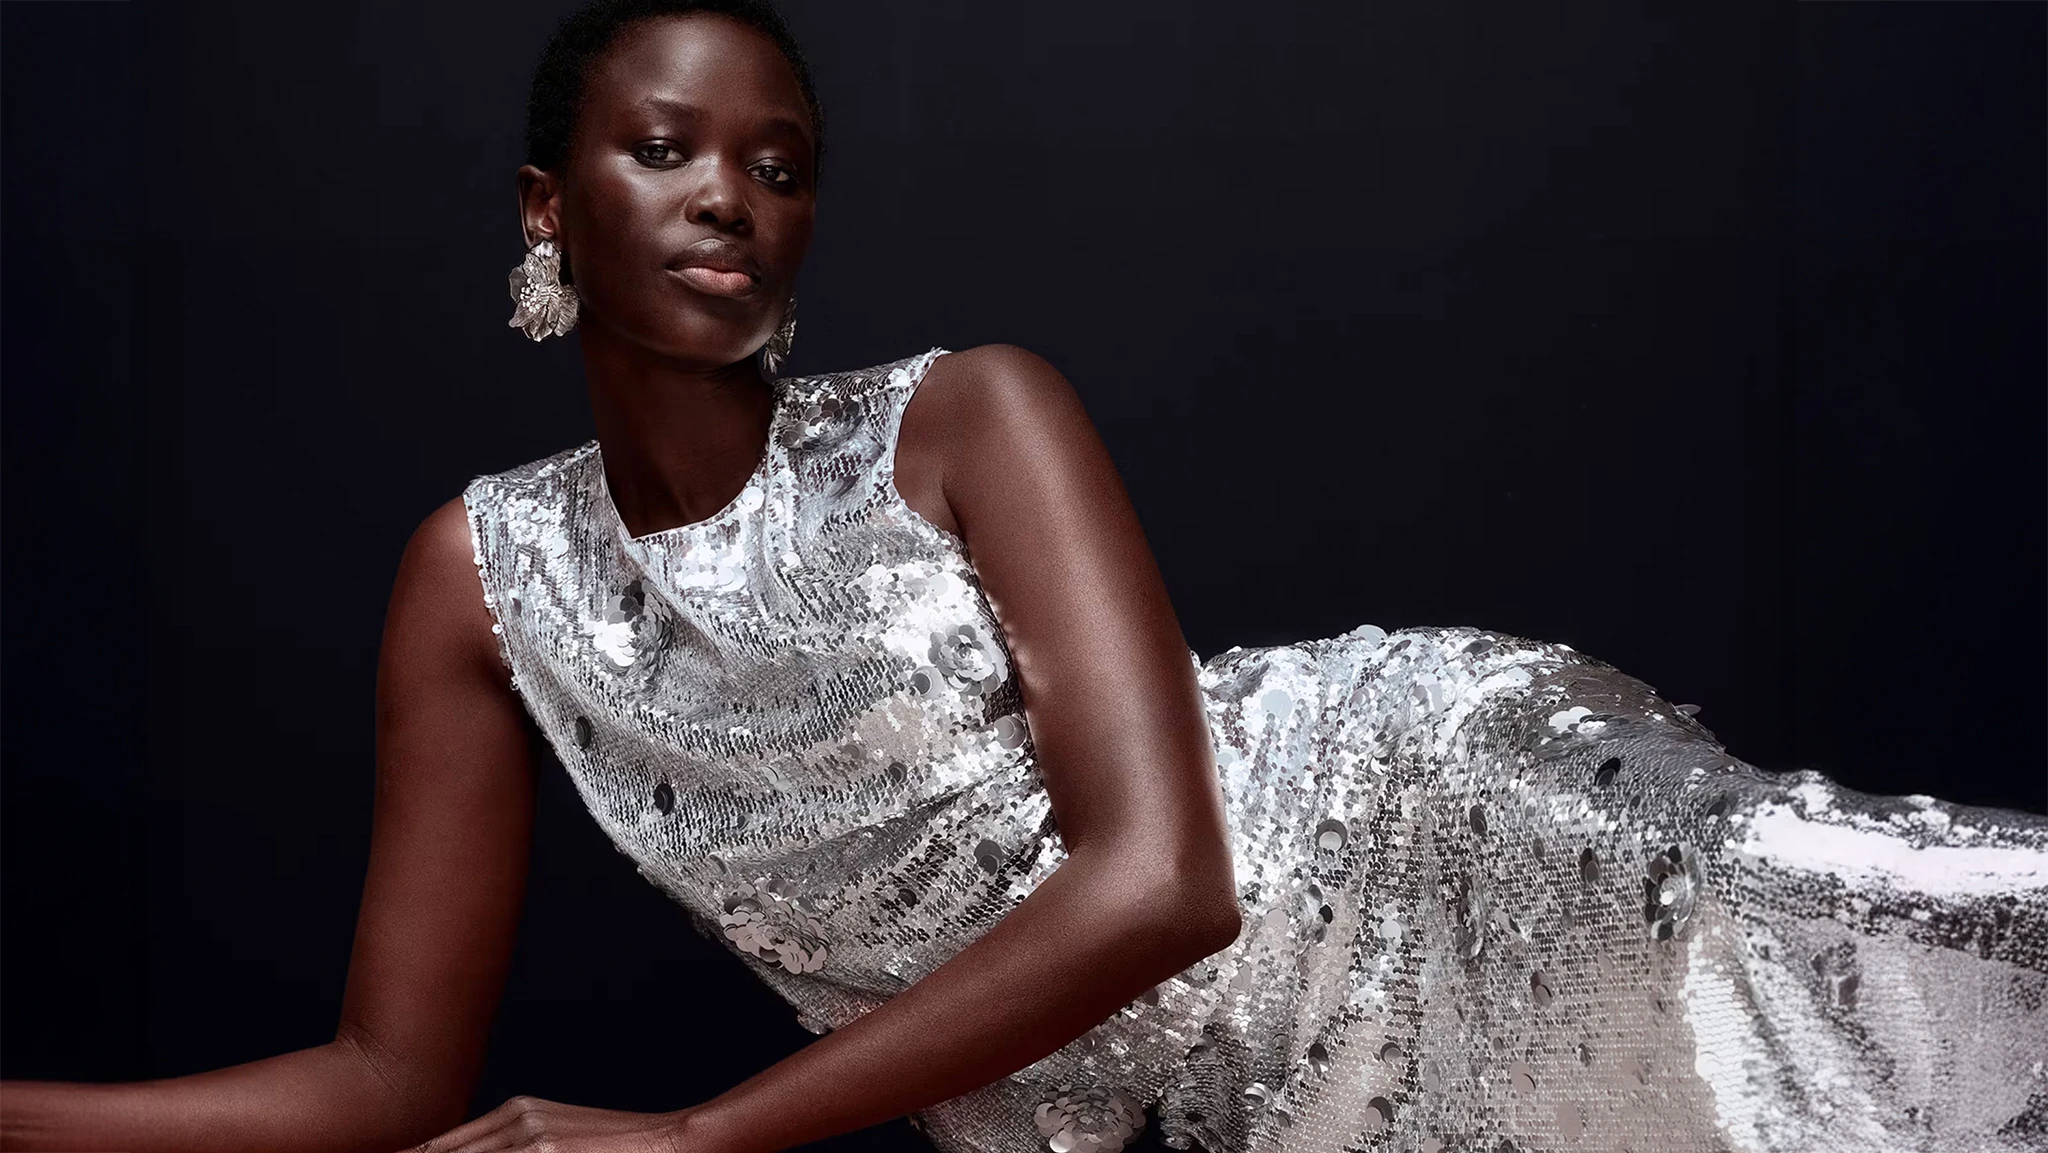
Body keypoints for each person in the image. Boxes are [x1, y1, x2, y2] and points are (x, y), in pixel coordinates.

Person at [5, 2, 2045, 1152]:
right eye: (666, 149)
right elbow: (387, 1080)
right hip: (1211, 1090)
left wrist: (701, 1147)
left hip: (1425, 828)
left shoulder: (968, 414)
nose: (730, 195)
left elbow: (1164, 882)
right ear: (551, 204)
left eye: (780, 163)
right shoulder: (473, 578)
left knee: (1927, 950)